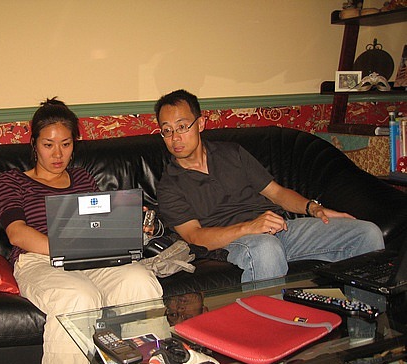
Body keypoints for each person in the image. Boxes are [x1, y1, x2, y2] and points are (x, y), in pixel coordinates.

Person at [0, 98, 163, 364]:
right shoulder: (13, 181)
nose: (58, 154)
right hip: (39, 260)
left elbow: (99, 226)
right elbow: (16, 233)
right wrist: (67, 246)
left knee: (140, 280)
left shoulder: (83, 179)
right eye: (48, 145)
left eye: (66, 144)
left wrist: (130, 225)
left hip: (91, 257)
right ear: (34, 144)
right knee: (78, 297)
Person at [154, 89, 385, 283]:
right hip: (233, 242)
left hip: (278, 228)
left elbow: (277, 193)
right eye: (167, 130)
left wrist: (313, 208)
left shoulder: (232, 153)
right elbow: (195, 237)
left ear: (200, 124)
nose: (175, 138)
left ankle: (361, 320)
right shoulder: (169, 185)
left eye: (182, 126)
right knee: (265, 248)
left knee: (366, 233)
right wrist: (250, 227)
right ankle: (268, 323)